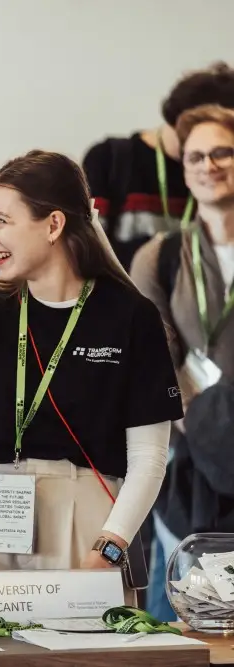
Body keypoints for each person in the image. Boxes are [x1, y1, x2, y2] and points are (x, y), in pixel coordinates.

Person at [0, 150, 183, 600]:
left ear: (54, 225)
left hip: (91, 528)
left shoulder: (130, 316)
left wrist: (111, 546)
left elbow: (149, 457)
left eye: (1, 221)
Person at [131, 104, 234, 621]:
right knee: (182, 610)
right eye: (196, 155)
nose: (208, 165)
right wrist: (202, 421)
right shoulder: (160, 256)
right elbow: (151, 358)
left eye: (222, 152)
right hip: (186, 454)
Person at [84, 62, 234, 272]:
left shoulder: (219, 173)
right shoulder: (110, 159)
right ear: (182, 120)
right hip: (125, 295)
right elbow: (86, 250)